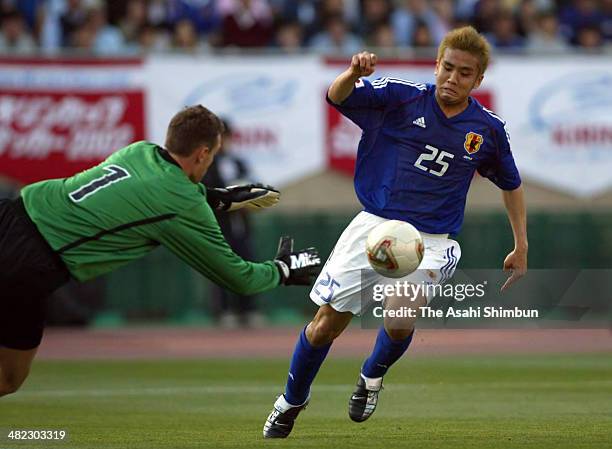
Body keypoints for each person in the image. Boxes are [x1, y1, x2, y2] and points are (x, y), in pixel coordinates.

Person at [263, 26, 528, 438]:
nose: (452, 79)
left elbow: (511, 184)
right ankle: (291, 400)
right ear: (437, 64)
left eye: (464, 73)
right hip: (373, 226)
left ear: (478, 80)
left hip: (431, 240)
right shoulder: (401, 96)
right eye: (448, 68)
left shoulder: (487, 130)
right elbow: (337, 96)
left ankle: (371, 376)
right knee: (325, 326)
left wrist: (521, 244)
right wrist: (353, 73)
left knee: (401, 315)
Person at [0, 105, 321, 398]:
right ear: (202, 153)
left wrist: (218, 198)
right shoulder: (183, 204)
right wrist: (281, 270)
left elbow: (148, 190)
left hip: (11, 212)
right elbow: (238, 277)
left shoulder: (141, 151)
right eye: (212, 155)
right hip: (30, 261)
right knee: (8, 378)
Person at [202, 118, 261, 327]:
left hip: (241, 226)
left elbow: (254, 187)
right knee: (222, 267)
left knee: (247, 264)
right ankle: (225, 310)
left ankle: (248, 309)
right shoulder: (206, 165)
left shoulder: (238, 162)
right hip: (219, 225)